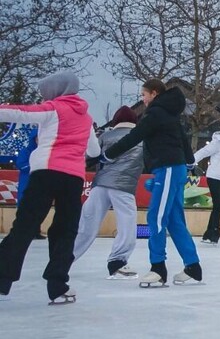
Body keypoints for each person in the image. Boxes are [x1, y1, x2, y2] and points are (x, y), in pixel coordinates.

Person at [0, 71, 100, 304]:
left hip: (46, 172)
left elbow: (19, 113)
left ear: (56, 91)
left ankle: (2, 277)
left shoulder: (54, 108)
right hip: (74, 178)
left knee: (25, 225)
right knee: (65, 230)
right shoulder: (86, 118)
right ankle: (58, 285)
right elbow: (94, 151)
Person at [102, 79, 203, 287]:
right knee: (174, 220)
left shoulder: (156, 113)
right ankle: (193, 266)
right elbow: (183, 140)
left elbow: (135, 136)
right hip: (174, 169)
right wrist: (190, 161)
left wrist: (109, 155)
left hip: (167, 168)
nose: (143, 99)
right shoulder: (170, 113)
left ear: (154, 93)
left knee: (156, 217)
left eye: (144, 94)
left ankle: (158, 267)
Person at [74, 106, 143, 278]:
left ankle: (65, 257)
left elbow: (90, 156)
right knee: (126, 223)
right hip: (124, 186)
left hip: (100, 184)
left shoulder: (105, 136)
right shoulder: (141, 138)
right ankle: (117, 261)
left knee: (87, 222)